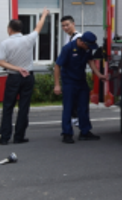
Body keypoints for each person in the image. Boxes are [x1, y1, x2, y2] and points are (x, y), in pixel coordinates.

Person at [0, 9, 49, 145]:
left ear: (9, 29)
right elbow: (38, 27)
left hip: (13, 77)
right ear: (21, 29)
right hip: (28, 77)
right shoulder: (29, 39)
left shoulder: (5, 43)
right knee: (24, 107)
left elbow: (1, 62)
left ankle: (4, 137)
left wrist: (17, 68)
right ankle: (19, 136)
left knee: (8, 107)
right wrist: (44, 15)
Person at [54, 31, 104, 144]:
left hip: (81, 81)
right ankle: (67, 133)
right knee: (68, 108)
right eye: (88, 46)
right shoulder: (67, 48)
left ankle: (85, 132)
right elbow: (57, 66)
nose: (89, 48)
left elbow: (90, 61)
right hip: (69, 82)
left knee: (83, 107)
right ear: (82, 42)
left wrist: (99, 74)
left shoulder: (87, 48)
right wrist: (57, 85)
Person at [59, 15, 83, 128]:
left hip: (75, 74)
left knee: (75, 99)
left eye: (67, 25)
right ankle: (74, 118)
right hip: (67, 73)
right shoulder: (68, 37)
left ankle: (77, 119)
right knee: (69, 101)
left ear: (73, 24)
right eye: (63, 26)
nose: (65, 27)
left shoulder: (79, 38)